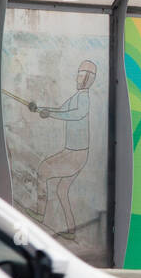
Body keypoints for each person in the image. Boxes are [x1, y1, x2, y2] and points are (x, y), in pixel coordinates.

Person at [29, 60, 95, 240]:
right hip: (74, 152)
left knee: (43, 170)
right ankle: (72, 229)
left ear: (89, 78)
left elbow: (73, 115)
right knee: (62, 191)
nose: (78, 77)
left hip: (76, 154)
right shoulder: (77, 97)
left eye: (81, 74)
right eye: (78, 74)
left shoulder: (84, 99)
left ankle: (40, 213)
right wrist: (40, 110)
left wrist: (49, 113)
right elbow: (60, 110)